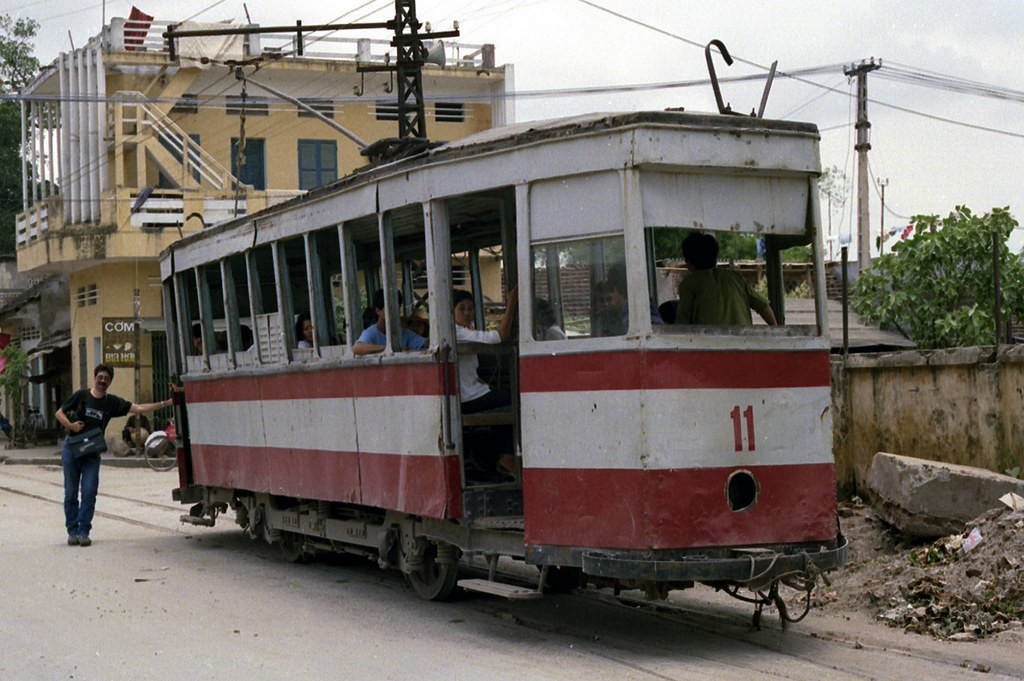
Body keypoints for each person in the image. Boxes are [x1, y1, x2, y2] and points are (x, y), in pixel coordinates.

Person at [55, 364, 180, 547]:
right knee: (71, 493)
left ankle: (84, 532)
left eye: (106, 378)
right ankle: (72, 531)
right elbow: (59, 412)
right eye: (100, 377)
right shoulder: (82, 395)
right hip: (72, 449)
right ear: (95, 377)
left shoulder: (111, 402)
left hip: (91, 453)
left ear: (110, 382)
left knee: (89, 492)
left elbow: (137, 408)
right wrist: (71, 426)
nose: (102, 380)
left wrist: (165, 403)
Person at [675, 232, 778, 326]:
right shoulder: (735, 278)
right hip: (743, 341)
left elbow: (682, 322)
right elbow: (763, 306)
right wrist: (775, 330)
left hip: (709, 342)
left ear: (688, 261)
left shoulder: (689, 284)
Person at [353, 290, 427, 355]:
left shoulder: (404, 333)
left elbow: (426, 344)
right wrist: (388, 349)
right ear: (378, 311)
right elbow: (357, 348)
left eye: (397, 308)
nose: (394, 313)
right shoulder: (371, 333)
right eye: (390, 308)